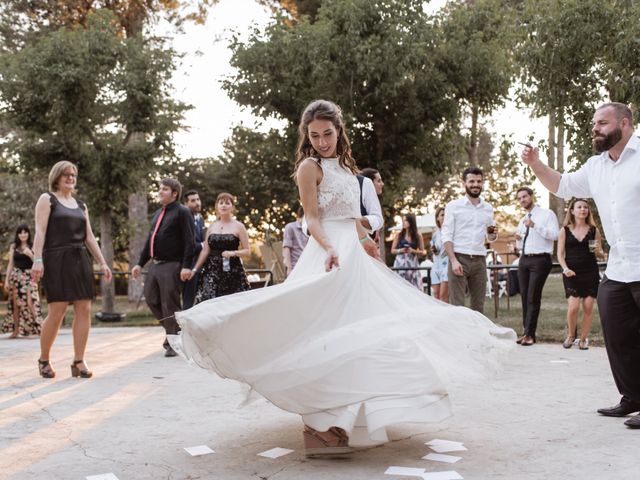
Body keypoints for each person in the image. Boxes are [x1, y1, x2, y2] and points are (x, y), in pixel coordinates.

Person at [172, 99, 514, 456]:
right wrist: (328, 246)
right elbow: (313, 218)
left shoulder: (349, 170)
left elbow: (353, 217)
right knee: (318, 332)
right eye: (315, 135)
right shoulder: (309, 167)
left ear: (339, 131)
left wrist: (366, 242)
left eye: (328, 134)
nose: (322, 141)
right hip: (327, 254)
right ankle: (316, 425)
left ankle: (341, 419)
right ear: (307, 136)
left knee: (358, 334)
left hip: (354, 253)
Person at [521, 102, 640, 429]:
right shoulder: (596, 166)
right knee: (616, 333)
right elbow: (562, 185)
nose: (595, 129)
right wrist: (536, 165)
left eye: (602, 123)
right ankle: (632, 397)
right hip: (618, 267)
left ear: (625, 124)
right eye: (594, 124)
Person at [31, 161, 112, 378]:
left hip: (79, 258)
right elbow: (39, 231)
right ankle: (44, 359)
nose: (70, 178)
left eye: (73, 174)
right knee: (57, 311)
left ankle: (78, 361)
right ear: (56, 177)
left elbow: (89, 237)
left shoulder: (81, 205)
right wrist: (37, 259)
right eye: (66, 174)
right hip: (56, 258)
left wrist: (102, 262)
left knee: (84, 308)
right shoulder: (47, 199)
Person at [131, 178, 195, 357]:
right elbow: (149, 241)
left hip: (173, 265)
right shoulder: (158, 213)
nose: (160, 191)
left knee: (170, 304)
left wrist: (186, 266)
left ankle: (173, 341)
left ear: (174, 193)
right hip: (156, 264)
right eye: (160, 188)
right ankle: (175, 332)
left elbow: (189, 242)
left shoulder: (183, 212)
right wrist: (139, 263)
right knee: (151, 299)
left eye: (165, 189)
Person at [442, 167, 497, 313]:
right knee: (458, 306)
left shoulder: (488, 208)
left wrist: (492, 235)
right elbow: (446, 235)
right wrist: (453, 260)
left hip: (479, 260)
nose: (475, 184)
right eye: (472, 181)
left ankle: (477, 335)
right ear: (464, 183)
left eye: (479, 181)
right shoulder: (453, 206)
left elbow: (489, 236)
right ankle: (459, 336)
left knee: (478, 306)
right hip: (459, 258)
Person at [557, 198, 605, 350]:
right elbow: (560, 254)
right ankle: (571, 335)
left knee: (589, 306)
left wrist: (601, 252)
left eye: (585, 207)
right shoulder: (564, 230)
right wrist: (565, 268)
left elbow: (597, 253)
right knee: (573, 307)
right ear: (572, 211)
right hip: (571, 272)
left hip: (590, 271)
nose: (583, 209)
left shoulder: (593, 230)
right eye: (579, 207)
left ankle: (583, 339)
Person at [514, 187, 559, 346]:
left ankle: (530, 335)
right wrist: (517, 240)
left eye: (525, 196)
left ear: (531, 196)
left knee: (533, 296)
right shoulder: (522, 219)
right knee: (525, 296)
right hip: (524, 259)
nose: (522, 200)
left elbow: (555, 235)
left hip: (541, 260)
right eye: (519, 198)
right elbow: (520, 245)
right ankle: (526, 332)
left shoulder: (547, 214)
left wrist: (534, 225)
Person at [191, 192, 250, 303]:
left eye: (227, 203)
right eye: (221, 203)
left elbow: (247, 251)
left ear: (232, 207)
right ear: (217, 206)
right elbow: (205, 251)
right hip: (211, 271)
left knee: (232, 303)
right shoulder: (212, 226)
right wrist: (194, 269)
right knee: (208, 300)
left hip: (232, 271)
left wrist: (233, 253)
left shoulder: (239, 226)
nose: (223, 205)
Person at [2, 224, 43, 337]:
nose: (23, 234)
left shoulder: (32, 246)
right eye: (20, 232)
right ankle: (16, 331)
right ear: (18, 234)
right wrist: (6, 280)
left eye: (25, 232)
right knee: (15, 304)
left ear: (28, 234)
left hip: (29, 276)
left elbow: (37, 261)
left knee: (31, 302)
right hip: (16, 277)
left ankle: (40, 328)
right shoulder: (13, 246)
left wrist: (29, 254)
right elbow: (11, 264)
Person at [182, 190, 206, 309]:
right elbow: (188, 245)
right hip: (187, 266)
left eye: (198, 199)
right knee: (188, 301)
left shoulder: (200, 218)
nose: (197, 203)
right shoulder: (184, 219)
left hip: (199, 265)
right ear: (186, 204)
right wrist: (203, 244)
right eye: (193, 201)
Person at [391, 213, 426, 290]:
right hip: (400, 264)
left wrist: (413, 250)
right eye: (403, 220)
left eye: (406, 220)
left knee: (415, 288)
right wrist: (401, 250)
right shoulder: (399, 235)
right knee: (401, 287)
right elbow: (392, 250)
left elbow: (422, 251)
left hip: (413, 263)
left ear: (411, 222)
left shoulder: (418, 235)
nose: (404, 222)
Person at [282, 206, 309, 277]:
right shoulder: (290, 227)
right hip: (295, 267)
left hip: (306, 266)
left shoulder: (308, 229)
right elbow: (286, 249)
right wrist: (289, 268)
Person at [430, 207, 449, 302]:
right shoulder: (435, 234)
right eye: (442, 215)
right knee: (436, 296)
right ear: (437, 218)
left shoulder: (450, 232)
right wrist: (433, 249)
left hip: (446, 266)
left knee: (443, 296)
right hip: (436, 266)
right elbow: (436, 251)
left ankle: (447, 316)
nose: (444, 217)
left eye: (446, 215)